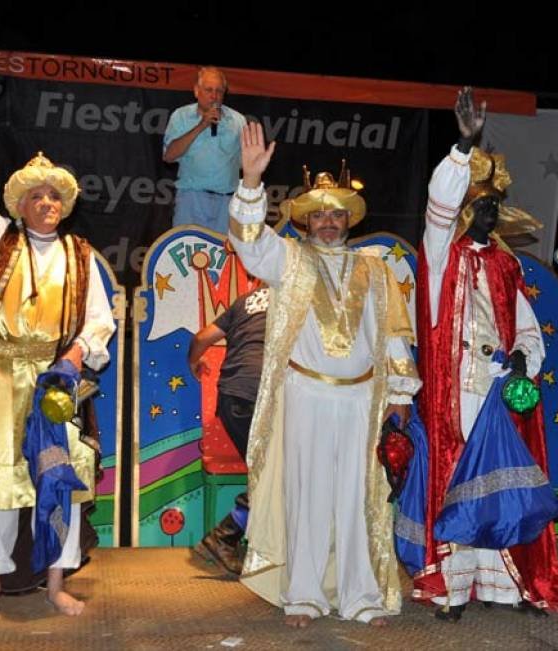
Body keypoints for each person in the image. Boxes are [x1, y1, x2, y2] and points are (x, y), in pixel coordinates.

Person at [0, 81, 115, 622]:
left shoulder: (81, 256)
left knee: (55, 479)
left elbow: (101, 320)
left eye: (55, 196)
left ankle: (56, 582)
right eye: (37, 196)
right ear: (21, 206)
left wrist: (77, 355)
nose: (47, 203)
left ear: (64, 205)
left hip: (56, 386)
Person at [229, 122, 421, 627]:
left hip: (362, 402)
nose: (329, 222)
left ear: (348, 220)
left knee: (359, 499)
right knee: (308, 496)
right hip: (305, 394)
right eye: (319, 215)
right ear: (306, 222)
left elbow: (396, 337)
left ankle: (361, 596)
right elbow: (249, 243)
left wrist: (400, 396)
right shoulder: (287, 260)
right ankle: (304, 596)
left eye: (337, 214)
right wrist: (250, 182)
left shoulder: (377, 270)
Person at [413, 87, 558, 619]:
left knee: (499, 483)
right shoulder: (439, 257)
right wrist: (463, 147)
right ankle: (454, 590)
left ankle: (507, 585)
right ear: (464, 210)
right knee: (459, 477)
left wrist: (525, 358)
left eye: (493, 208)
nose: (488, 214)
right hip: (456, 389)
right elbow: (436, 209)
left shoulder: (507, 268)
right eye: (480, 205)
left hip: (498, 389)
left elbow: (528, 330)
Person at [188, 284, 268, 574]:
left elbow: (202, 337)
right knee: (275, 475)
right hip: (261, 393)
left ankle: (231, 536)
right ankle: (225, 536)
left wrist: (193, 362)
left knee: (272, 473)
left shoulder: (247, 301)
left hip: (233, 394)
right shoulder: (298, 296)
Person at [163, 66, 246, 233]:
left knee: (224, 257)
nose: (214, 96)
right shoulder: (180, 116)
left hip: (227, 203)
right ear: (196, 91)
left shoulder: (238, 121)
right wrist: (202, 125)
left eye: (219, 91)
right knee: (188, 255)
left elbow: (245, 164)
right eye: (208, 90)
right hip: (191, 200)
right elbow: (169, 156)